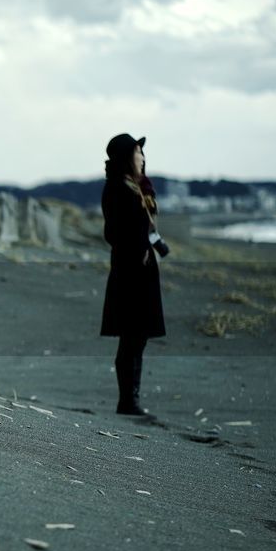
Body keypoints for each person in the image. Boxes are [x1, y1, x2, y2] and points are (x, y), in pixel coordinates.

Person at [100, 133, 167, 417]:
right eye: (138, 152)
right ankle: (127, 402)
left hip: (142, 268)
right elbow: (113, 232)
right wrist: (138, 246)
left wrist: (151, 244)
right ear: (127, 157)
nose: (143, 157)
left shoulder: (140, 188)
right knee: (131, 336)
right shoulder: (117, 188)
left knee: (138, 336)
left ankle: (130, 400)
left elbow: (145, 225)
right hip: (130, 270)